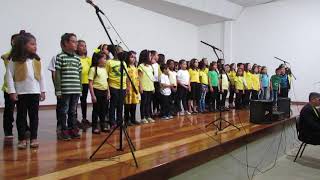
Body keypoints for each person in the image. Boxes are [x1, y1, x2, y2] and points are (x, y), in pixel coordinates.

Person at [6, 30, 46, 149]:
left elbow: (41, 76)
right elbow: (9, 75)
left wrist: (42, 90)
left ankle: (34, 138)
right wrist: (12, 91)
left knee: (34, 116)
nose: (35, 46)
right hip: (21, 93)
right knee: (21, 117)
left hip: (34, 92)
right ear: (23, 46)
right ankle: (22, 139)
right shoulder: (14, 60)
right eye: (32, 44)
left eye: (35, 44)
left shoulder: (37, 60)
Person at [55, 33, 82, 141]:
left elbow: (79, 74)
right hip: (65, 90)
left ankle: (72, 129)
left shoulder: (77, 58)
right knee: (64, 111)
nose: (76, 43)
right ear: (66, 43)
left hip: (75, 90)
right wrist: (58, 90)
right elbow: (57, 74)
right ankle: (63, 130)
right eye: (73, 41)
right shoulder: (60, 57)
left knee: (73, 111)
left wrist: (80, 88)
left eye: (76, 41)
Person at [1, 33, 19, 139]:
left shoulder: (25, 55)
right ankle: (8, 130)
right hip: (9, 88)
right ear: (12, 42)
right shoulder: (7, 55)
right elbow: (4, 56)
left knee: (22, 110)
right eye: (16, 40)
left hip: (22, 87)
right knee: (9, 110)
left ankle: (25, 129)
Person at [88, 52, 110, 134]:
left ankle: (103, 125)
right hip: (97, 91)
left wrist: (108, 92)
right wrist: (93, 95)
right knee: (96, 110)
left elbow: (106, 82)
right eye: (104, 58)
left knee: (104, 110)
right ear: (98, 60)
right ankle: (94, 126)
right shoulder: (93, 69)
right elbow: (90, 83)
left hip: (104, 92)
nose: (105, 60)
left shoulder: (104, 69)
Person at [106, 51, 128, 128]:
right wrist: (108, 89)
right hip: (113, 86)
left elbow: (126, 76)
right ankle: (112, 122)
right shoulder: (109, 62)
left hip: (123, 87)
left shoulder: (124, 63)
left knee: (120, 105)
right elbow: (106, 76)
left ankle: (119, 121)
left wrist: (127, 87)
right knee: (113, 105)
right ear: (115, 52)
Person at [76, 40, 92, 129]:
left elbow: (91, 70)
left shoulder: (88, 59)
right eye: (81, 46)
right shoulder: (75, 58)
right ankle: (74, 119)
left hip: (86, 82)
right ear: (77, 47)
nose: (84, 47)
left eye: (85, 46)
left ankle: (84, 118)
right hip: (77, 83)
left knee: (84, 101)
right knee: (74, 102)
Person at [138, 50, 155, 124]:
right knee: (144, 103)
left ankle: (148, 116)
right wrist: (140, 87)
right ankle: (143, 117)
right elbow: (139, 78)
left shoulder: (150, 66)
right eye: (150, 55)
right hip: (144, 87)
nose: (151, 57)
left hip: (150, 87)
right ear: (145, 56)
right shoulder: (141, 66)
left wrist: (153, 87)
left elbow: (151, 77)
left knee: (148, 103)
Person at [124, 51, 140, 126]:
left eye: (134, 57)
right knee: (128, 105)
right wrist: (126, 87)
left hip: (135, 89)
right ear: (127, 58)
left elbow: (137, 78)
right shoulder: (126, 67)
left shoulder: (135, 67)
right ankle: (127, 120)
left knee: (134, 104)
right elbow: (125, 78)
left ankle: (133, 119)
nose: (133, 59)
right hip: (128, 88)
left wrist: (139, 86)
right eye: (131, 57)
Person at [151, 50, 161, 116]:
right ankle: (151, 112)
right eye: (157, 55)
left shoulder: (157, 65)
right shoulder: (150, 65)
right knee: (152, 98)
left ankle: (156, 110)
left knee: (157, 98)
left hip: (157, 83)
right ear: (153, 56)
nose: (158, 56)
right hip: (152, 82)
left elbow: (159, 74)